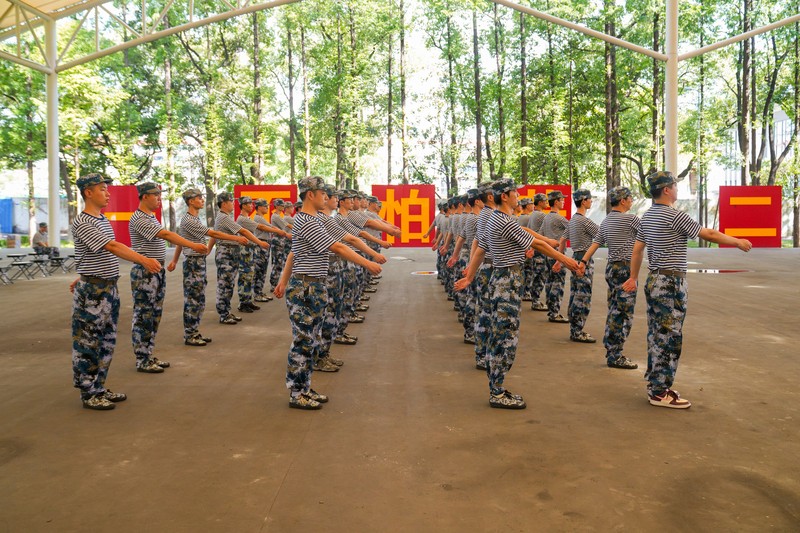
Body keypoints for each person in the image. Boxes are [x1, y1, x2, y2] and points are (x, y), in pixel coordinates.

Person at [622, 171, 752, 409]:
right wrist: (737, 241)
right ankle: (659, 391)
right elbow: (708, 234)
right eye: (675, 185)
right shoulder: (674, 216)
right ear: (667, 190)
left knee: (656, 334)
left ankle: (656, 384)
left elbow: (638, 250)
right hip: (670, 284)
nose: (677, 189)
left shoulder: (647, 216)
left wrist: (633, 277)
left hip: (655, 280)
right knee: (669, 337)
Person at [455, 179, 580, 409]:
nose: (518, 197)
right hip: (507, 281)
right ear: (505, 196)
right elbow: (536, 244)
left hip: (500, 279)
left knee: (498, 334)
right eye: (515, 193)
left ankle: (496, 387)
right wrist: (567, 260)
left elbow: (482, 248)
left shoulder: (494, 218)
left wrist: (470, 277)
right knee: (505, 338)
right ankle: (497, 392)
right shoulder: (502, 220)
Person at [273, 176, 383, 410]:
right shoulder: (307, 221)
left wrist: (282, 282)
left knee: (311, 340)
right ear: (310, 195)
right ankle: (296, 393)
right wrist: (368, 262)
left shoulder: (314, 220)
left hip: (314, 286)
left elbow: (294, 254)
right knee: (303, 341)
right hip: (305, 288)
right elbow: (338, 247)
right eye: (323, 193)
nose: (327, 197)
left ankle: (305, 387)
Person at [69, 173, 162, 410]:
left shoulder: (100, 219)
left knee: (106, 341)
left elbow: (94, 253)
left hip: (108, 287)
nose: (107, 192)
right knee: (88, 342)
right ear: (88, 193)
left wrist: (81, 274)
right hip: (94, 292)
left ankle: (99, 387)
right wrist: (143, 259)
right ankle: (88, 392)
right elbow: (111, 246)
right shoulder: (83, 221)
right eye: (102, 189)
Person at [128, 182, 207, 373]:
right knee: (144, 316)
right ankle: (142, 358)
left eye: (159, 195)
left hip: (155, 271)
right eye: (155, 195)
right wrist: (193, 245)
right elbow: (165, 234)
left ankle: (148, 353)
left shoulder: (151, 217)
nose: (159, 199)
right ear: (144, 196)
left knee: (154, 315)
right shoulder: (140, 218)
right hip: (145, 272)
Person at [167, 188, 249, 347]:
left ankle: (194, 331)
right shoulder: (189, 220)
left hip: (198, 261)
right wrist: (236, 238)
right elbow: (214, 234)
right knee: (193, 299)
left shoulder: (194, 219)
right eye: (199, 198)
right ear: (191, 201)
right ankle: (190, 334)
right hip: (193, 262)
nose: (202, 200)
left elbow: (181, 241)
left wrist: (175, 261)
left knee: (198, 299)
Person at [579, 186, 640, 370]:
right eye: (630, 198)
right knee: (624, 313)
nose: (631, 201)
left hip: (611, 268)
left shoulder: (606, 221)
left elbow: (596, 243)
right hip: (624, 269)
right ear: (622, 200)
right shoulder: (631, 219)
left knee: (614, 308)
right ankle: (615, 354)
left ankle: (611, 348)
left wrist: (583, 261)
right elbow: (649, 237)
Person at [214, 192, 269, 325]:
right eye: (230, 201)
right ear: (224, 203)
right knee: (225, 284)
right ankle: (224, 313)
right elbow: (243, 231)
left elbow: (215, 235)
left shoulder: (226, 217)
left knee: (229, 283)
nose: (233, 203)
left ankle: (226, 312)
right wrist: (260, 242)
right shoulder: (224, 217)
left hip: (230, 252)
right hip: (226, 252)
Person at [566, 189, 599, 343]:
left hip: (575, 256)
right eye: (590, 199)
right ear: (584, 200)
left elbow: (562, 239)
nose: (591, 201)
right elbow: (601, 235)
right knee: (583, 296)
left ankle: (574, 328)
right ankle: (577, 331)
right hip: (584, 258)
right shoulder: (584, 221)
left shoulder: (573, 220)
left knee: (575, 293)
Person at [540, 191, 570, 323]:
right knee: (558, 283)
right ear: (556, 202)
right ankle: (555, 312)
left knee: (550, 282)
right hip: (558, 253)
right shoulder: (560, 218)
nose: (563, 202)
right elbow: (572, 230)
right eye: (562, 200)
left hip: (547, 252)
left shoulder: (546, 218)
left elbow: (540, 233)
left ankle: (551, 310)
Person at [526, 193, 549, 311]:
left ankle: (535, 299)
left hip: (534, 247)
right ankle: (536, 301)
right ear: (540, 202)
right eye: (545, 201)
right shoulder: (541, 215)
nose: (546, 203)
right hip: (539, 248)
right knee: (540, 275)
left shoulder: (533, 215)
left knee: (536, 274)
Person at [269, 199, 292, 291]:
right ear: (277, 206)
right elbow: (287, 225)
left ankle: (275, 284)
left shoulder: (279, 216)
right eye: (281, 205)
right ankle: (273, 284)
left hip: (281, 241)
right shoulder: (276, 216)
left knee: (280, 262)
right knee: (277, 263)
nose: (283, 206)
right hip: (277, 240)